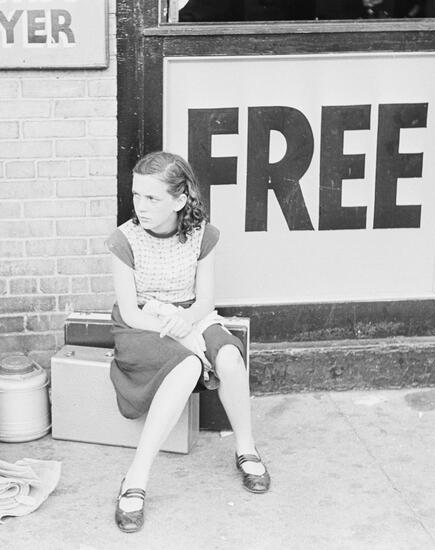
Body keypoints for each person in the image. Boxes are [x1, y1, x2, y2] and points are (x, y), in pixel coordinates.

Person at [106, 151, 270, 534]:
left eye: (152, 198)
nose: (141, 206)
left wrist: (188, 322)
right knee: (188, 364)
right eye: (136, 195)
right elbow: (130, 312)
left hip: (190, 314)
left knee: (228, 356)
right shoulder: (124, 239)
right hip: (144, 323)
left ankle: (246, 448)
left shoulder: (202, 235)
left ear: (179, 200)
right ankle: (136, 477)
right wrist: (175, 330)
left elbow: (205, 301)